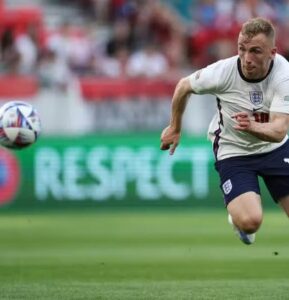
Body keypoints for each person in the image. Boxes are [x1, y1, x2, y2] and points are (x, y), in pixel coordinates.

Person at [160, 17, 289, 245]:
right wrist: (174, 127)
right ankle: (238, 218)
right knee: (251, 221)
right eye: (242, 49)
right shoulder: (223, 72)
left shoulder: (284, 74)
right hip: (234, 151)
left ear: (272, 52)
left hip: (276, 149)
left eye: (255, 51)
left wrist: (253, 126)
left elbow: (279, 130)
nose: (247, 59)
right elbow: (183, 86)